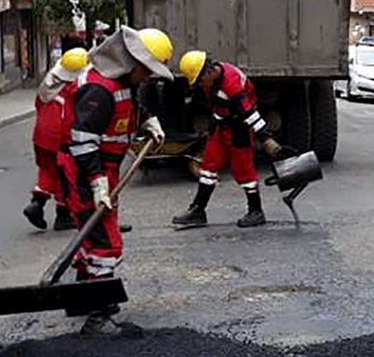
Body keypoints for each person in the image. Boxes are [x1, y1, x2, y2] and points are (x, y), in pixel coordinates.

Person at [62, 26, 173, 334]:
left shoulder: (121, 80)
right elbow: (83, 141)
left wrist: (146, 121)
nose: (149, 76)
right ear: (131, 60)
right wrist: (97, 182)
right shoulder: (98, 89)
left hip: (104, 169)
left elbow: (126, 111)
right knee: (106, 243)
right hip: (86, 170)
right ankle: (100, 313)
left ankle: (81, 297)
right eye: (147, 69)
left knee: (91, 236)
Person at [172, 51, 283, 229]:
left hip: (240, 127)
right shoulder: (213, 77)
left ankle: (256, 211)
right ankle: (198, 210)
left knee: (243, 170)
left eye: (200, 81)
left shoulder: (231, 84)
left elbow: (249, 113)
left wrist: (265, 138)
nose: (200, 85)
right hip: (221, 124)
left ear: (208, 72)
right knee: (208, 165)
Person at [25, 47, 89, 232]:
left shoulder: (49, 82)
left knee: (47, 170)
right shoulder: (75, 87)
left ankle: (37, 201)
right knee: (65, 174)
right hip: (61, 137)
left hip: (41, 136)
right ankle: (63, 214)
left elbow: (38, 104)